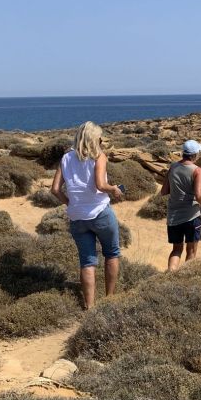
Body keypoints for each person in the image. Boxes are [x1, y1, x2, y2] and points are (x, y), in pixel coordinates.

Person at [50, 121, 124, 309]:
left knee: (87, 262)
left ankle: (89, 307)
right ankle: (109, 300)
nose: (102, 141)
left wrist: (70, 203)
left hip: (77, 217)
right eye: (100, 138)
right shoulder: (99, 156)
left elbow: (55, 189)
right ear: (95, 139)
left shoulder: (66, 158)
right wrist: (113, 189)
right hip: (100, 213)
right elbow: (100, 185)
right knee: (112, 254)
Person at [161, 139, 201, 271]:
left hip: (173, 216)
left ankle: (171, 275)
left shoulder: (173, 167)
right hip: (191, 215)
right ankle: (185, 278)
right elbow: (198, 195)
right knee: (191, 251)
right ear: (194, 155)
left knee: (176, 250)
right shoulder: (197, 170)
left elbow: (163, 191)